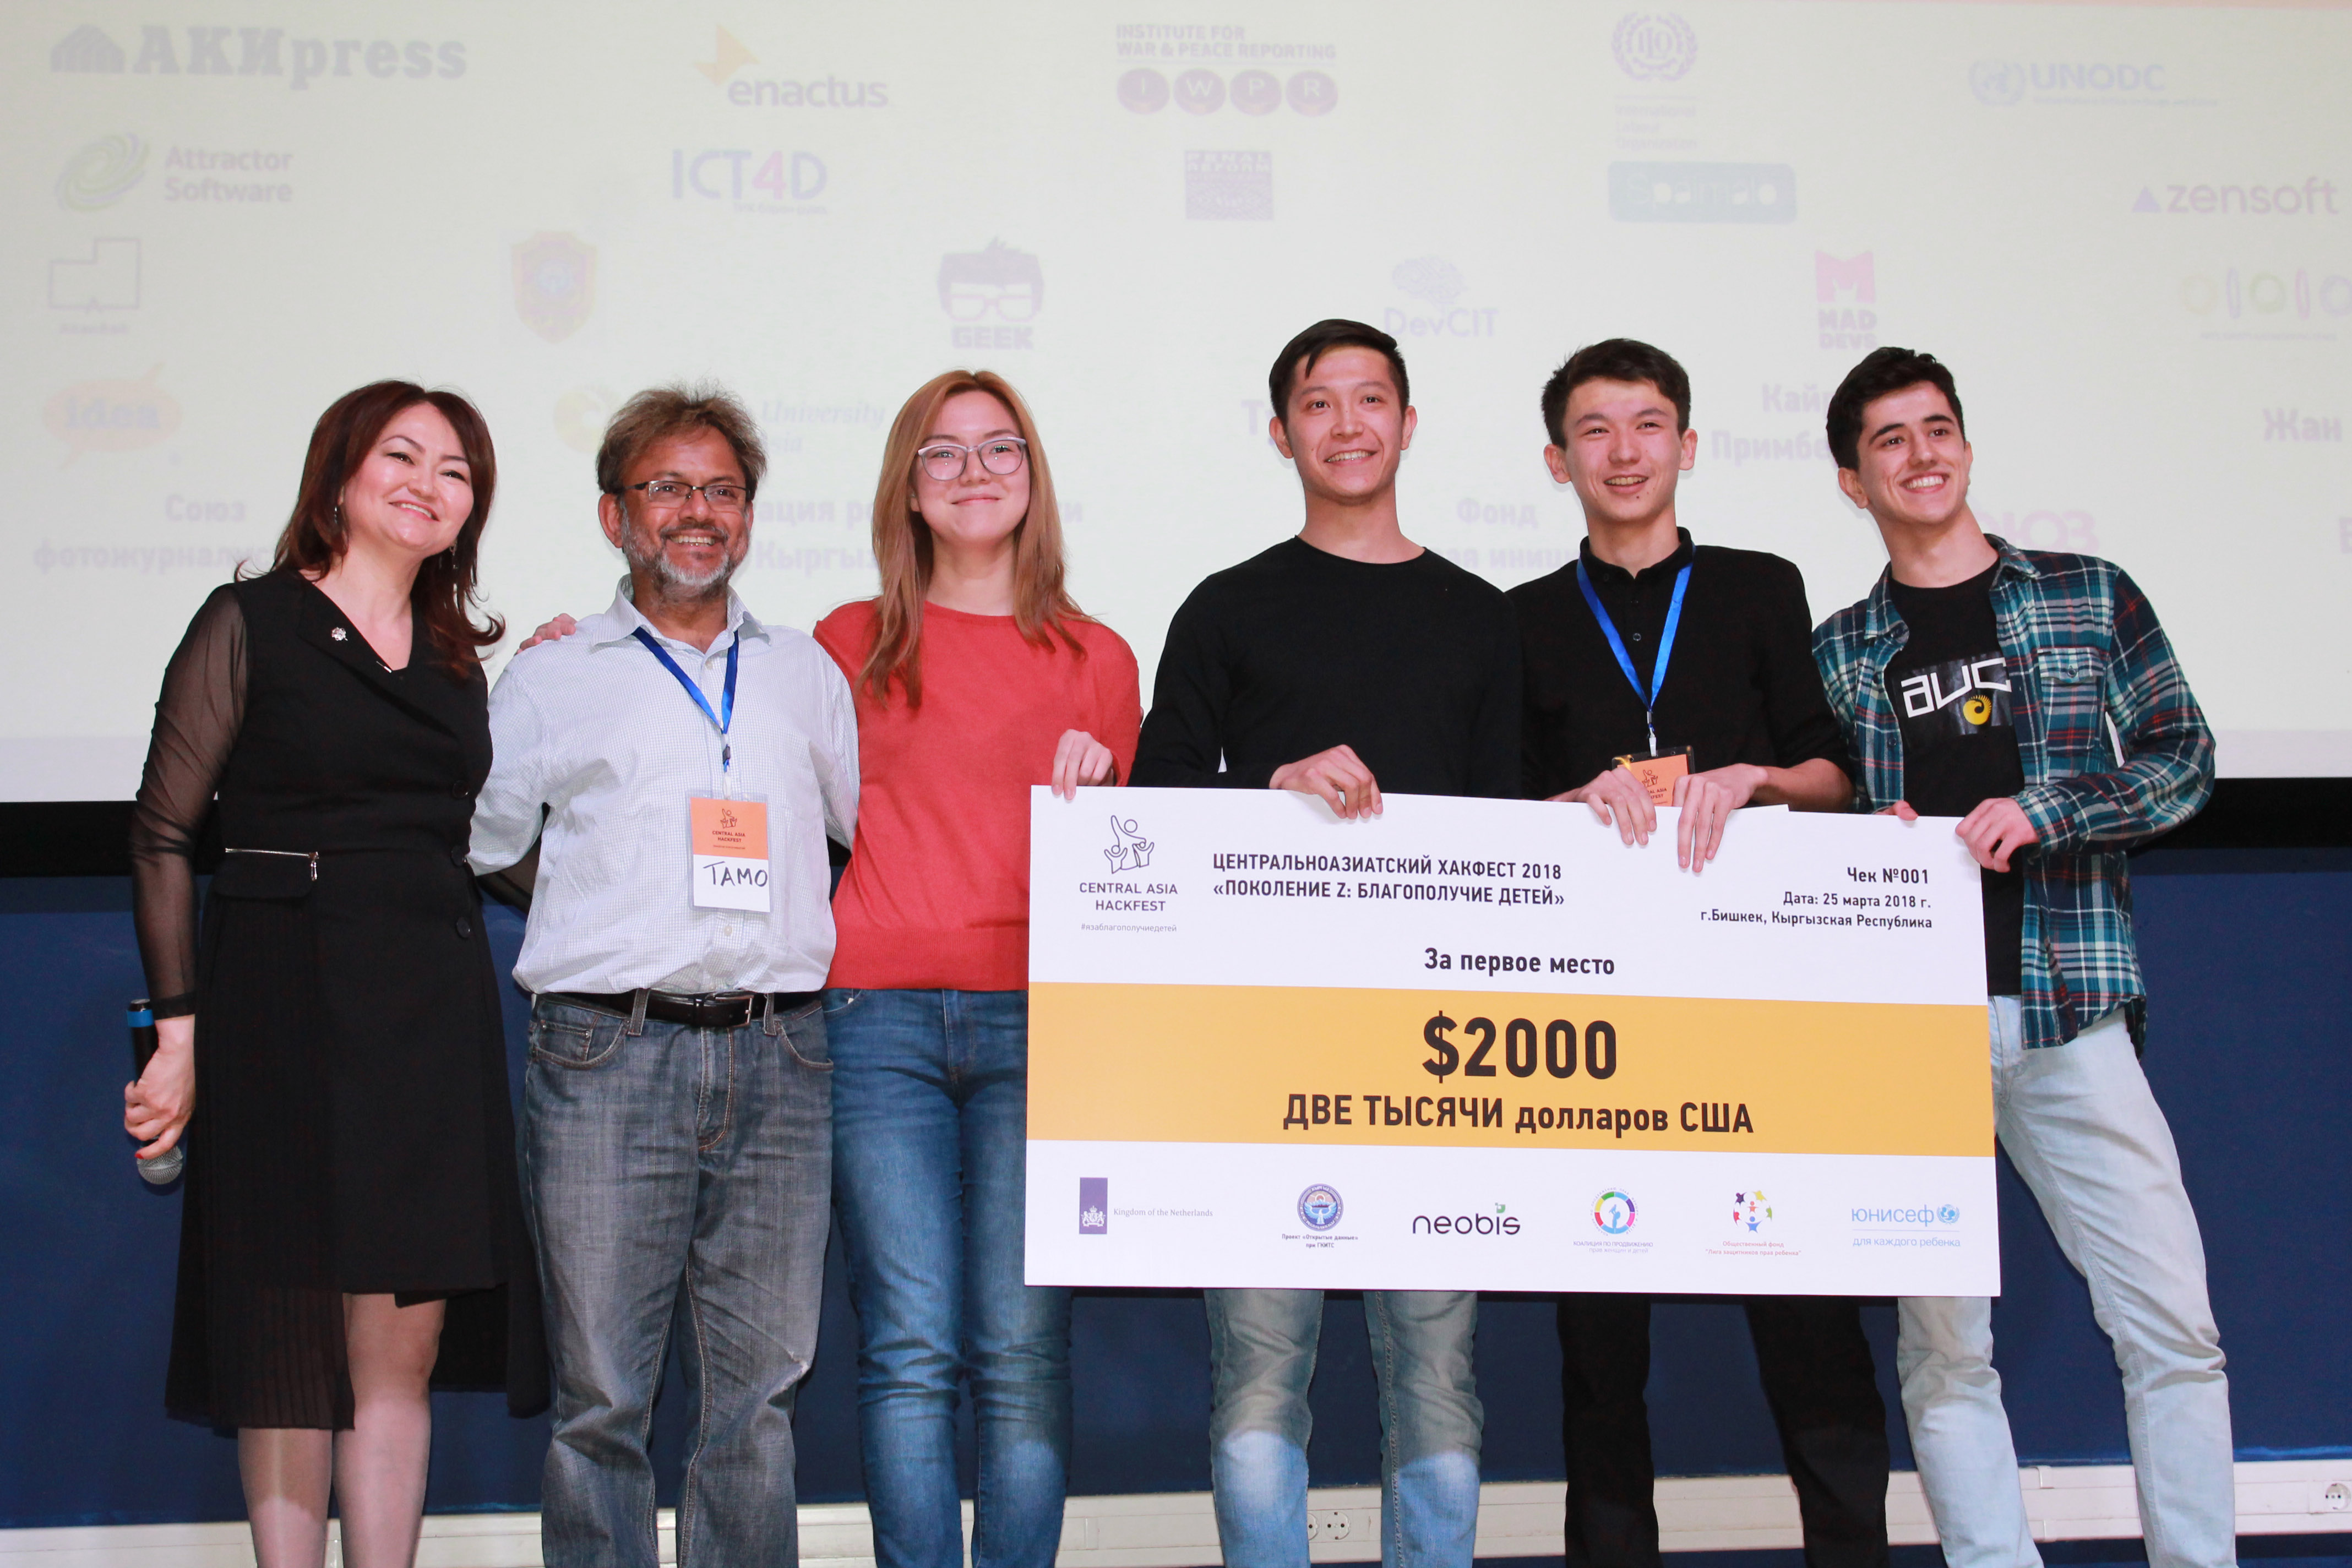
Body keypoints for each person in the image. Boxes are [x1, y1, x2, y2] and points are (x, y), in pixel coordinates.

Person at [1811, 348, 2226, 1568]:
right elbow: (1818, 830)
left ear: (1967, 446)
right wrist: (1864, 837)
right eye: (1890, 440)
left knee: (2174, 1327)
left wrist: (2055, 808)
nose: (1922, 454)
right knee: (1946, 1352)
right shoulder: (1840, 650)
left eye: (1937, 428)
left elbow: (2185, 758)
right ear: (1853, 482)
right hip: (1915, 1034)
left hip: (2069, 1010)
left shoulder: (2088, 594)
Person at [124, 381, 545, 1568]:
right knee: (288, 1348)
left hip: (428, 1011)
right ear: (340, 475)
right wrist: (179, 1032)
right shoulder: (251, 620)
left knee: (398, 1350)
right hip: (280, 1003)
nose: (428, 485)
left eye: (455, 471)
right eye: (400, 457)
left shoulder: (458, 659)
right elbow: (163, 832)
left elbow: (480, 837)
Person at [1132, 319, 1518, 1568]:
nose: (1347, 424)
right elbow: (1156, 802)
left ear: (1408, 423)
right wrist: (1270, 786)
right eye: (1318, 403)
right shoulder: (1225, 608)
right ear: (1280, 432)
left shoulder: (1482, 619)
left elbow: (1520, 839)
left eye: (1371, 400)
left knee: (1438, 1377)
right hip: (1259, 1053)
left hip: (1443, 1056)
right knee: (1258, 1378)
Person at [1507, 339, 1888, 1568]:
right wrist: (1565, 806)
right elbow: (1492, 815)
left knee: (1812, 1323)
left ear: (1686, 443)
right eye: (1596, 430)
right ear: (1558, 460)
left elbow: (1837, 772)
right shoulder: (1520, 619)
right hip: (1595, 1022)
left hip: (1761, 1008)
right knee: (1600, 1350)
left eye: (1648, 424)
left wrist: (1758, 776)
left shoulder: (1759, 587)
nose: (1625, 452)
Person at [469, 385, 858, 1568]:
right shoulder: (552, 675)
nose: (698, 511)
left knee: (759, 1400)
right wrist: (605, 908)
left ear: (749, 516)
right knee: (602, 1399)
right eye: (668, 488)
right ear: (614, 516)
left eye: (722, 490)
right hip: (605, 1054)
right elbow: (489, 842)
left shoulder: (806, 674)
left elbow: (847, 833)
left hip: (781, 1056)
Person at [812, 370, 1140, 1568]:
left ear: (1033, 475)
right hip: (873, 1018)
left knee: (1021, 1352)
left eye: (1000, 448)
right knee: (908, 1347)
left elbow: (1129, 866)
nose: (973, 473)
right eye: (942, 454)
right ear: (907, 486)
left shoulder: (1101, 656)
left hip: (1042, 1023)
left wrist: (1108, 792)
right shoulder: (845, 642)